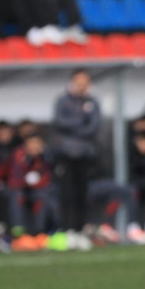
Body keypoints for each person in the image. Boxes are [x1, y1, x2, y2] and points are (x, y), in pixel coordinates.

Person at [51, 70, 102, 244]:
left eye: (85, 81)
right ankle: (67, 230)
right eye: (79, 81)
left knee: (82, 194)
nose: (82, 84)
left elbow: (94, 126)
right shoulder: (62, 101)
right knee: (66, 194)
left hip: (85, 155)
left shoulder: (93, 102)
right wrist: (82, 119)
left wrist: (75, 127)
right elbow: (60, 122)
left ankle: (80, 230)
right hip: (65, 156)